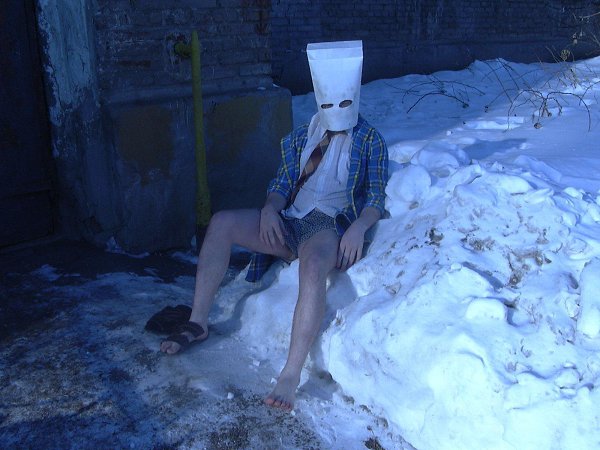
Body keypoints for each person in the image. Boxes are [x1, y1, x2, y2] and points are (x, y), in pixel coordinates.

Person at [160, 40, 388, 411]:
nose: (335, 110)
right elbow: (281, 185)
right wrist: (269, 209)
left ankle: (290, 373)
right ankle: (197, 321)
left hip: (326, 224)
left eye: (344, 103)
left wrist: (360, 225)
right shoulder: (300, 138)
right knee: (221, 222)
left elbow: (376, 195)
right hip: (288, 219)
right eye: (329, 104)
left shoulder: (370, 141)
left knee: (313, 267)